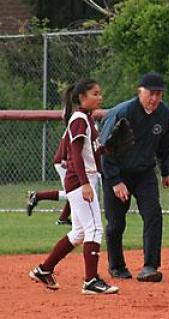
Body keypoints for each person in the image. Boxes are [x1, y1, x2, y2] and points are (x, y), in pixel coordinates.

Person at [29, 79, 119, 294]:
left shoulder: (87, 120)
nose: (100, 97)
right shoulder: (79, 119)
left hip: (84, 179)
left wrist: (111, 148)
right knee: (94, 228)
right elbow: (75, 155)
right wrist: (85, 184)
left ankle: (44, 269)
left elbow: (93, 154)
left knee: (78, 233)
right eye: (95, 93)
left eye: (100, 93)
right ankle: (90, 281)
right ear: (81, 97)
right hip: (81, 180)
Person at [100, 72, 169, 282]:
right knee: (116, 223)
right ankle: (116, 266)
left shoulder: (165, 114)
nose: (155, 98)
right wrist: (115, 181)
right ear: (140, 91)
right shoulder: (123, 112)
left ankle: (150, 266)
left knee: (153, 214)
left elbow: (166, 144)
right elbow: (105, 149)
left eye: (159, 94)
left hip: (144, 173)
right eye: (151, 93)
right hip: (117, 172)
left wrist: (166, 171)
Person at [27, 133, 72, 225]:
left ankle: (63, 218)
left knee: (75, 193)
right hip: (65, 162)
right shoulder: (79, 120)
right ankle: (37, 196)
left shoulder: (84, 121)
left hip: (68, 161)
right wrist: (64, 158)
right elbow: (66, 141)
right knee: (74, 193)